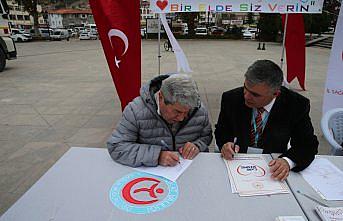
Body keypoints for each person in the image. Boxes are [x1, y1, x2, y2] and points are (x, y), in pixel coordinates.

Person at [215, 60, 318, 181]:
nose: (246, 96)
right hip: (236, 161)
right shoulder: (231, 98)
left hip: (272, 166)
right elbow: (222, 131)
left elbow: (307, 145)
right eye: (245, 88)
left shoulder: (296, 104)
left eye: (255, 94)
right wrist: (225, 144)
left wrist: (287, 161)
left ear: (276, 93)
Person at [108, 74, 212, 167]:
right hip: (150, 179)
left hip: (190, 172)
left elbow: (206, 136)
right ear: (161, 97)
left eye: (187, 112)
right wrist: (157, 156)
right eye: (177, 111)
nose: (181, 118)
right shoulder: (135, 111)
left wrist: (197, 145)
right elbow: (117, 146)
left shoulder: (198, 109)